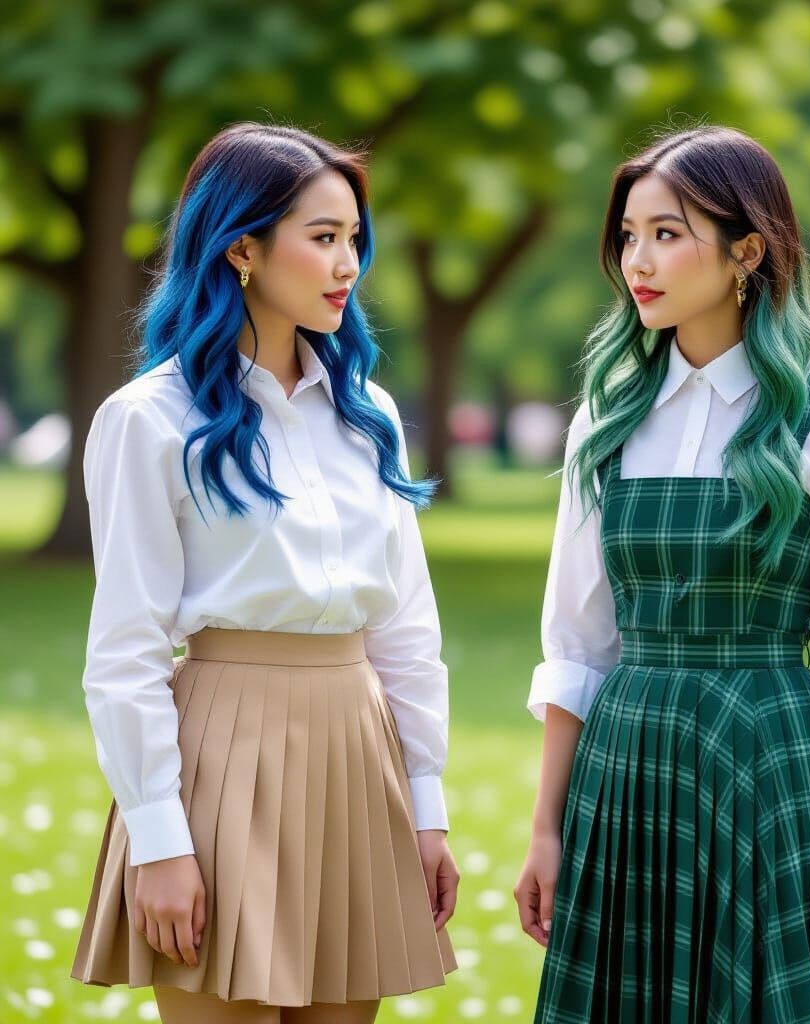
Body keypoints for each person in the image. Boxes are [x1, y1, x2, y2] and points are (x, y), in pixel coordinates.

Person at [514, 124, 810, 1022]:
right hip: (625, 769)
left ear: (748, 252)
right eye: (629, 235)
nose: (638, 261)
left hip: (768, 765)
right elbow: (577, 645)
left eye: (667, 233)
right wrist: (546, 829)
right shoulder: (605, 422)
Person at [70, 122, 459, 1023]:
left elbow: (407, 628)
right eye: (322, 237)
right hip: (221, 758)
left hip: (358, 757)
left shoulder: (370, 417)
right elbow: (125, 646)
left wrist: (426, 805)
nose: (347, 264)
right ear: (241, 248)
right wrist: (159, 839)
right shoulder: (149, 419)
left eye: (354, 238)